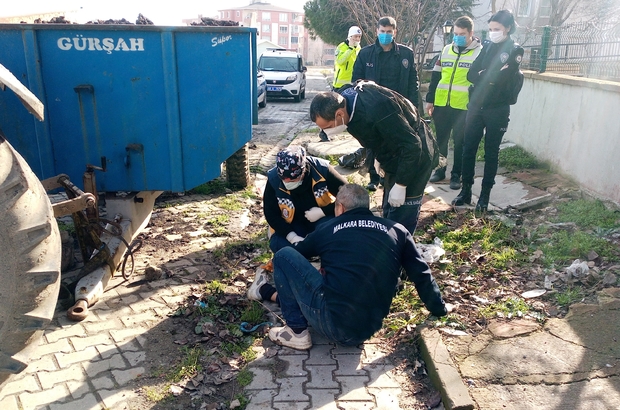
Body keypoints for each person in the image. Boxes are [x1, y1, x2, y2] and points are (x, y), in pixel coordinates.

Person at [247, 184, 447, 350]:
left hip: (334, 326)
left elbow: (298, 254)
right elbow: (422, 274)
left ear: (340, 208)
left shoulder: (328, 228)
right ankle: (270, 295)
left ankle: (296, 331)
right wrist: (439, 310)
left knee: (284, 256)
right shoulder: (397, 231)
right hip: (370, 326)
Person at [310, 82, 438, 235]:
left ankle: (402, 243)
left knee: (402, 212)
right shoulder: (345, 103)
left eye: (328, 127)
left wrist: (401, 184)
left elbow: (412, 146)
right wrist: (377, 156)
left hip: (415, 156)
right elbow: (374, 136)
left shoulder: (378, 110)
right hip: (392, 152)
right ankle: (388, 238)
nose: (326, 132)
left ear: (339, 114)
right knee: (390, 206)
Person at [452, 10, 524, 212]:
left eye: (497, 29)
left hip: (497, 109)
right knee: (468, 149)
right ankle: (466, 190)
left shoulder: (515, 50)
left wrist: (486, 75)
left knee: (491, 153)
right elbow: (471, 74)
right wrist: (489, 75)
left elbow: (502, 79)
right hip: (476, 107)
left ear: (508, 28)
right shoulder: (487, 46)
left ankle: (484, 196)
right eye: (491, 28)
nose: (493, 32)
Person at [351, 16, 420, 191]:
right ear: (377, 31)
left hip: (398, 108)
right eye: (382, 31)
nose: (385, 34)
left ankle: (389, 176)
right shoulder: (366, 54)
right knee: (374, 143)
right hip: (373, 108)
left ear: (394, 32)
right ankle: (373, 178)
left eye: (389, 32)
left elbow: (413, 82)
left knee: (396, 142)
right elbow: (356, 80)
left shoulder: (406, 54)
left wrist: (414, 106)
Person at [426, 16, 482, 190]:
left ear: (471, 33)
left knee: (460, 142)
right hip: (442, 104)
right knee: (441, 141)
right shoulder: (446, 50)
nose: (457, 37)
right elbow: (436, 76)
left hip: (464, 106)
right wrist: (430, 100)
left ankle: (456, 174)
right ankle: (440, 170)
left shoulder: (479, 53)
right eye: (455, 34)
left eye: (462, 34)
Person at [263, 146, 347, 253]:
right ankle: (312, 250)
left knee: (333, 233)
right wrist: (291, 236)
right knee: (277, 244)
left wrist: (323, 212)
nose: (287, 183)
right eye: (284, 179)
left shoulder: (322, 169)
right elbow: (270, 213)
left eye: (292, 180)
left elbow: (349, 197)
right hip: (293, 225)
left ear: (303, 171)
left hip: (322, 220)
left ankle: (309, 251)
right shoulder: (273, 179)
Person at [333, 26, 362, 91]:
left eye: (359, 36)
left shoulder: (358, 48)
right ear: (350, 37)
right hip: (340, 85)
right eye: (355, 36)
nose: (358, 39)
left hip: (354, 84)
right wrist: (350, 49)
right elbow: (340, 61)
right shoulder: (342, 46)